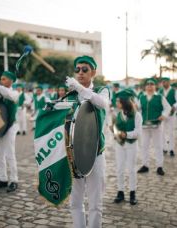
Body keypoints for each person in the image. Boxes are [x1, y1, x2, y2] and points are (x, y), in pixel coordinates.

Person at [65, 55, 109, 228]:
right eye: (77, 70)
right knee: (75, 201)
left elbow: (101, 104)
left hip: (95, 154)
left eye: (85, 69)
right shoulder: (71, 95)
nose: (80, 73)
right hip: (73, 155)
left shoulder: (102, 91)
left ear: (93, 72)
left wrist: (80, 89)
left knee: (95, 203)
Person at [0, 71, 20, 193]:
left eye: (4, 79)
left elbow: (9, 95)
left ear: (11, 81)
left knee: (9, 154)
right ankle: (2, 179)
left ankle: (14, 180)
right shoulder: (0, 93)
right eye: (0, 79)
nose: (1, 81)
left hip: (10, 126)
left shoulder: (15, 92)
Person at [112, 89, 142, 205]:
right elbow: (115, 128)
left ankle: (132, 193)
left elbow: (138, 132)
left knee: (131, 169)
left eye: (118, 101)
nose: (116, 103)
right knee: (119, 168)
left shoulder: (137, 115)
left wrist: (126, 134)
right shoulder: (117, 114)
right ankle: (120, 192)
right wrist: (114, 131)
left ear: (124, 102)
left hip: (131, 144)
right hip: (120, 144)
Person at [137, 78, 171, 176]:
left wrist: (164, 115)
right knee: (144, 146)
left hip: (157, 125)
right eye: (148, 85)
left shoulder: (159, 97)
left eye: (152, 85)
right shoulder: (142, 97)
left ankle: (159, 166)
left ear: (155, 86)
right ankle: (145, 165)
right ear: (145, 87)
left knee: (158, 146)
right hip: (144, 126)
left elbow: (167, 107)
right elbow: (138, 109)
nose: (150, 86)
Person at [158, 77, 177, 157]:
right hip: (162, 114)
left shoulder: (175, 91)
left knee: (171, 132)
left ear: (169, 82)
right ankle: (164, 148)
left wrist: (174, 106)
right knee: (162, 131)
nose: (163, 83)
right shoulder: (160, 91)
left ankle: (171, 149)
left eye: (165, 82)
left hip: (171, 114)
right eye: (163, 82)